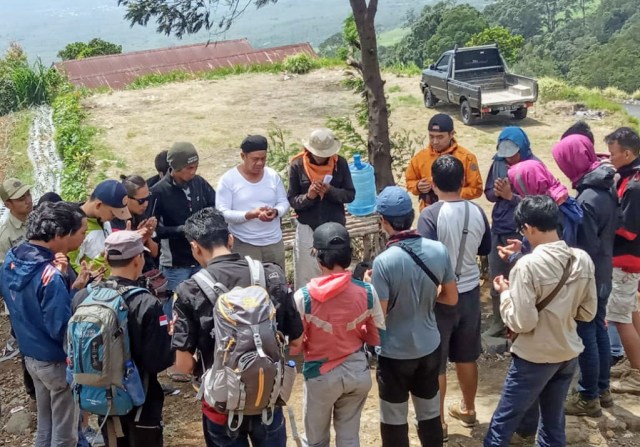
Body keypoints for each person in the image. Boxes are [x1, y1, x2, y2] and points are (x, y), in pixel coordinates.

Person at [171, 207, 303, 447]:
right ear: (230, 239)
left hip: (221, 406)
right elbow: (296, 343)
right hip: (267, 397)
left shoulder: (189, 291)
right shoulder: (271, 275)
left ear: (195, 247)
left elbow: (183, 365)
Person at [484, 196, 596, 447]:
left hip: (534, 357)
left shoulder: (527, 266)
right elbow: (587, 313)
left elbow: (523, 322)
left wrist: (505, 294)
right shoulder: (581, 259)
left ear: (529, 228)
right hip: (567, 353)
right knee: (553, 424)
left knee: (502, 424)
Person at [371, 186, 458, 447]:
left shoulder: (384, 262)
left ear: (383, 221)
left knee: (394, 419)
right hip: (429, 346)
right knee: (430, 414)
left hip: (394, 353)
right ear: (411, 215)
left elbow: (380, 316)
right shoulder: (438, 250)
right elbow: (452, 298)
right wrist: (428, 299)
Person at [0, 202, 90, 447]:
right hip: (56, 360)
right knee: (65, 434)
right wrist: (77, 296)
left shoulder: (12, 258)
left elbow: (32, 306)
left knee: (45, 425)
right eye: (81, 232)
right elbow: (60, 327)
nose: (84, 237)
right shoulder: (50, 274)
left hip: (31, 356)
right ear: (61, 235)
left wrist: (71, 288)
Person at [73, 231, 173, 447]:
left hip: (101, 394)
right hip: (141, 398)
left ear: (107, 259)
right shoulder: (146, 302)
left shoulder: (84, 297)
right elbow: (158, 361)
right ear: (139, 259)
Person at [291, 222, 385, 447]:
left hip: (320, 378)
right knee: (349, 438)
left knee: (316, 441)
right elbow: (376, 338)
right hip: (357, 374)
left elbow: (294, 348)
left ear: (317, 257)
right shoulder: (367, 291)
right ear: (349, 256)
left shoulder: (302, 298)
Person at [417, 156, 491, 432]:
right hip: (470, 292)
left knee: (436, 362)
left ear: (433, 184)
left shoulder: (430, 215)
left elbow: (423, 256)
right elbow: (485, 248)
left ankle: (439, 423)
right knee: (466, 356)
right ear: (462, 181)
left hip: (439, 296)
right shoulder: (477, 212)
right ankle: (469, 409)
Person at [552, 134, 618, 415]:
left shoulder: (588, 197)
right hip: (604, 269)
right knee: (599, 329)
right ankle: (603, 390)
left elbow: (585, 245)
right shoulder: (604, 184)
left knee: (587, 333)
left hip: (590, 275)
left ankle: (588, 396)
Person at [483, 127, 537, 337]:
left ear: (522, 149)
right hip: (499, 228)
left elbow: (538, 205)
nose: (507, 160)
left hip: (523, 232)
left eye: (511, 155)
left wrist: (511, 196)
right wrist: (496, 193)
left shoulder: (533, 167)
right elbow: (487, 193)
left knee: (521, 280)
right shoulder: (498, 163)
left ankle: (520, 325)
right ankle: (498, 322)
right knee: (497, 277)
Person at [288, 128, 355, 290]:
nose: (322, 157)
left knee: (334, 274)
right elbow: (292, 200)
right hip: (308, 227)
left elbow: (350, 195)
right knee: (307, 275)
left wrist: (330, 191)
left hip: (334, 227)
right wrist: (309, 196)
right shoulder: (297, 165)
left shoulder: (340, 163)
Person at [150, 142, 216, 295]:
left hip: (202, 259)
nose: (193, 172)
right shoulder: (158, 192)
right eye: (189, 168)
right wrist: (182, 229)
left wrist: (205, 221)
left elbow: (215, 206)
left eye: (196, 167)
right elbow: (154, 232)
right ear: (175, 167)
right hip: (175, 265)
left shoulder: (199, 183)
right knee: (175, 307)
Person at [216, 135, 290, 269]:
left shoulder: (272, 176)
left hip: (273, 242)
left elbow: (283, 202)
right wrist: (250, 214)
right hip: (245, 243)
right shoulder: (229, 180)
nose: (260, 163)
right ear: (243, 156)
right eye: (255, 159)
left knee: (277, 283)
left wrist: (276, 211)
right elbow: (222, 213)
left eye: (263, 159)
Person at [604, 127, 640, 392]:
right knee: (631, 308)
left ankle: (638, 373)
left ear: (627, 153)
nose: (610, 158)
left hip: (626, 258)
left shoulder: (635, 185)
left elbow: (628, 229)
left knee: (618, 316)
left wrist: (604, 220)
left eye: (613, 153)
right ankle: (635, 360)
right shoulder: (630, 176)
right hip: (631, 258)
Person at [405, 113, 482, 211]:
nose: (435, 141)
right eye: (431, 136)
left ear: (451, 134)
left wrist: (449, 194)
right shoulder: (420, 157)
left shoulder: (467, 158)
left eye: (440, 137)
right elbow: (409, 181)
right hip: (429, 212)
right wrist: (417, 186)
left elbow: (476, 189)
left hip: (457, 211)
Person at [507, 159, 584, 248]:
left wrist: (516, 256)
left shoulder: (545, 211)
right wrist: (522, 247)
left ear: (527, 185)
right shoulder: (561, 199)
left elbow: (551, 253)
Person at [0, 178, 33, 360]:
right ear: (8, 204)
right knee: (26, 345)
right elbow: (5, 276)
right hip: (20, 297)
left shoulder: (37, 218)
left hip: (41, 290)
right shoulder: (5, 235)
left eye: (28, 194)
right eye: (21, 198)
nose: (28, 200)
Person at [69, 179, 132, 274]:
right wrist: (93, 270)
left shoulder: (104, 221)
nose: (114, 217)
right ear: (98, 205)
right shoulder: (75, 228)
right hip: (91, 286)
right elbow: (72, 268)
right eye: (113, 213)